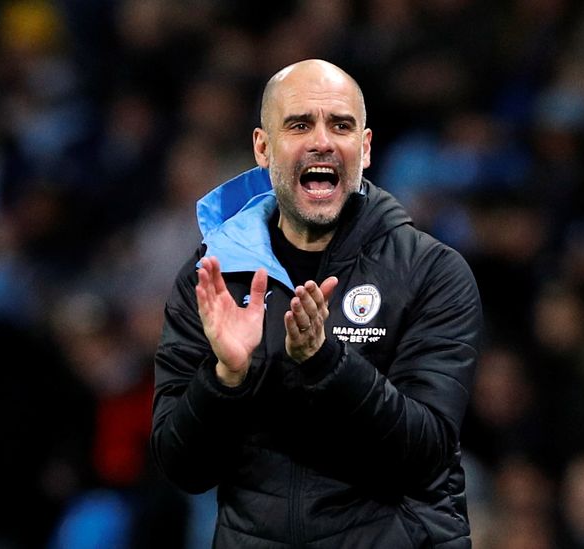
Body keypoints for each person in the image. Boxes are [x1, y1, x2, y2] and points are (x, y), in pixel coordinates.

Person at [151, 59, 482, 548]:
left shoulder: (431, 273)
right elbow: (183, 467)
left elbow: (426, 452)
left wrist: (327, 363)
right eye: (300, 124)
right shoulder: (213, 276)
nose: (322, 141)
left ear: (365, 149)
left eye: (341, 125)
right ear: (263, 148)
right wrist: (225, 379)